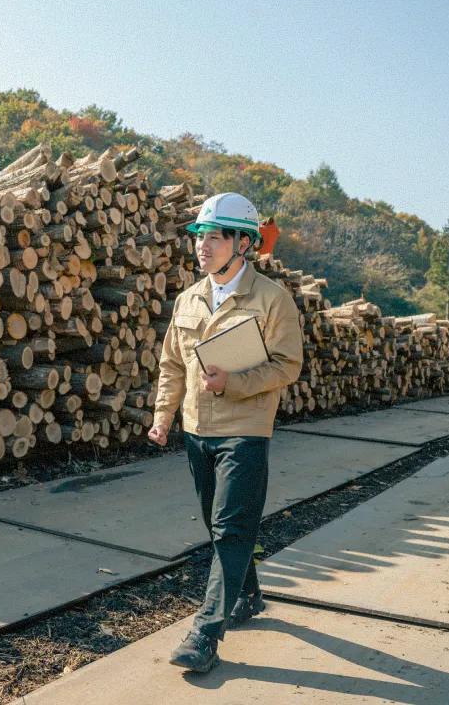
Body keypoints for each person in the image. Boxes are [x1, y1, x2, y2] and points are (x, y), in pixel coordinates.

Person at [148, 192, 304, 673]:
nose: (203, 245)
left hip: (246, 430)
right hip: (197, 428)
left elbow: (288, 365)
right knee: (219, 527)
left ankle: (204, 635)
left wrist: (232, 383)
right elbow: (173, 363)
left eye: (214, 236)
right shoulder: (188, 299)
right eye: (200, 235)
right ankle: (248, 594)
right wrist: (163, 415)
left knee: (232, 527)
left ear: (244, 243)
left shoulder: (272, 299)